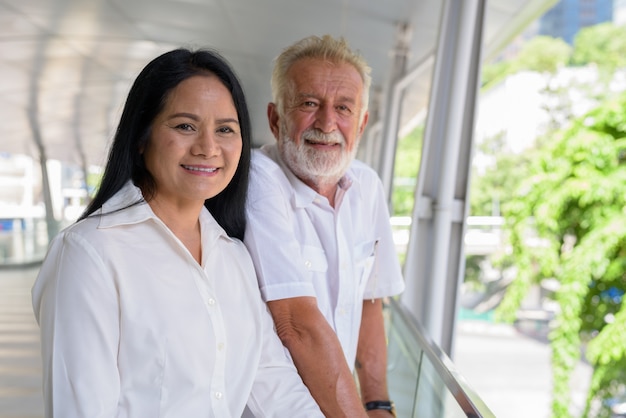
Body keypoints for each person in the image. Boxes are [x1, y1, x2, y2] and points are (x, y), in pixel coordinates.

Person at [31, 48, 322, 418]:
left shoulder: (233, 257)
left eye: (225, 129)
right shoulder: (90, 253)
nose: (208, 147)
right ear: (141, 137)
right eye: (185, 126)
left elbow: (273, 382)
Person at [243, 35, 405, 417]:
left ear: (362, 124)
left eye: (344, 108)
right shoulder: (256, 181)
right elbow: (296, 323)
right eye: (309, 103)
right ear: (275, 118)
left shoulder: (366, 186)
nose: (327, 122)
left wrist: (377, 403)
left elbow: (370, 300)